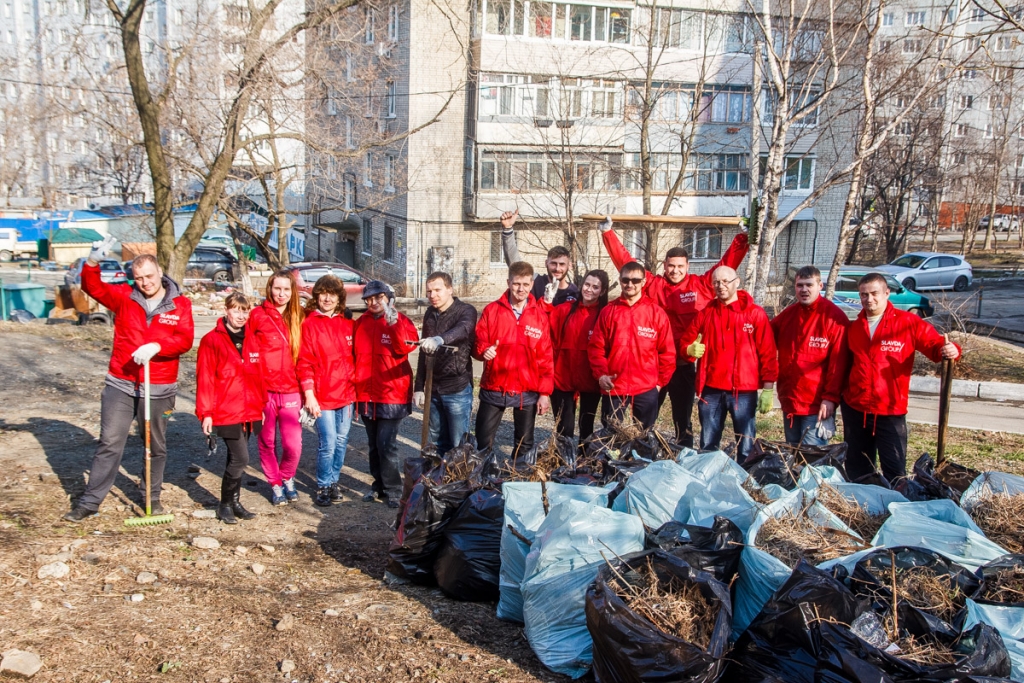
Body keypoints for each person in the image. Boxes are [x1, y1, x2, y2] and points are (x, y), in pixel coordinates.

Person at [63, 241, 194, 522]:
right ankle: (90, 501)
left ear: (160, 272)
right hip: (121, 383)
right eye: (140, 278)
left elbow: (184, 340)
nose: (145, 283)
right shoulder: (125, 297)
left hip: (159, 386)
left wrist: (158, 347)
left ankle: (152, 498)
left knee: (155, 445)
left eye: (149, 276)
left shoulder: (180, 304)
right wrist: (93, 263)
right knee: (110, 442)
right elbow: (93, 288)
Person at [598, 217, 750, 447]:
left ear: (687, 267)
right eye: (671, 266)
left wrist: (742, 238)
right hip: (653, 367)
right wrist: (608, 233)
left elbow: (726, 265)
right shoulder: (654, 284)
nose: (675, 270)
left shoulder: (701, 285)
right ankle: (638, 451)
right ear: (664, 265)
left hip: (683, 365)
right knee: (645, 419)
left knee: (682, 418)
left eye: (680, 266)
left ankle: (683, 455)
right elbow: (627, 265)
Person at [840, 272, 961, 483]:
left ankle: (895, 504)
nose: (869, 299)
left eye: (874, 293)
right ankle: (864, 508)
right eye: (863, 295)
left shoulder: (908, 323)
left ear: (887, 293)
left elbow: (935, 346)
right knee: (857, 469)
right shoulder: (854, 327)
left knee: (895, 470)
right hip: (856, 409)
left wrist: (952, 349)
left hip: (890, 410)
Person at [679, 266, 778, 463]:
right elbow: (685, 342)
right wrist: (689, 350)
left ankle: (745, 480)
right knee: (708, 443)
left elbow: (767, 352)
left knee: (746, 444)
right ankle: (708, 479)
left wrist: (768, 387)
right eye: (716, 282)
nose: (720, 286)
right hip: (711, 390)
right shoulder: (706, 313)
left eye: (725, 281)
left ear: (737, 282)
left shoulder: (754, 314)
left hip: (743, 391)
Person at [473, 261, 554, 458]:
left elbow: (545, 357)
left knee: (524, 445)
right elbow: (478, 340)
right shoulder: (492, 310)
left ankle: (517, 482)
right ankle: (483, 482)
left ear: (532, 284)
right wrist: (484, 350)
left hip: (526, 390)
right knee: (483, 442)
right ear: (509, 282)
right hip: (495, 386)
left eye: (526, 284)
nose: (521, 289)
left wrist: (544, 393)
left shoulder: (540, 316)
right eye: (517, 284)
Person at [195, 292, 262, 524]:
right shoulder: (211, 340)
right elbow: (205, 379)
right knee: (241, 459)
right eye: (236, 310)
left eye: (245, 311)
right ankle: (224, 504)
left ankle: (235, 502)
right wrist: (206, 414)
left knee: (235, 458)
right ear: (226, 310)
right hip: (226, 410)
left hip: (250, 410)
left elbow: (258, 376)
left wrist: (261, 405)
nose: (241, 315)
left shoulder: (253, 338)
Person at [588, 262, 675, 430]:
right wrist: (601, 375)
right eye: (626, 280)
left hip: (646, 388)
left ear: (643, 282)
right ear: (620, 281)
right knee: (611, 438)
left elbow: (668, 352)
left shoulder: (656, 313)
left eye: (635, 280)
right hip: (614, 386)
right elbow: (596, 348)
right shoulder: (609, 311)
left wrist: (658, 383)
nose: (630, 284)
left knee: (644, 438)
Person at [354, 280, 418, 508]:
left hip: (392, 393)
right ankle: (378, 484)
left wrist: (394, 324)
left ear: (388, 299)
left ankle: (393, 489)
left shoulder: (402, 321)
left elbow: (406, 347)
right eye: (369, 299)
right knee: (372, 443)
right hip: (366, 394)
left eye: (378, 298)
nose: (373, 303)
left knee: (386, 443)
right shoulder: (360, 323)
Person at [771, 265, 850, 446]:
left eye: (809, 285)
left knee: (811, 460)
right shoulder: (788, 316)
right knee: (793, 455)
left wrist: (830, 398)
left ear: (820, 285)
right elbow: (763, 337)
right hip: (790, 401)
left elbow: (839, 364)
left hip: (817, 406)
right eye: (800, 285)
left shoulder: (834, 318)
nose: (804, 290)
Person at [297, 275, 356, 507]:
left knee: (342, 440)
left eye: (332, 294)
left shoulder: (348, 324)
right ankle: (322, 483)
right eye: (323, 293)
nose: (327, 298)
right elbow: (304, 362)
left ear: (340, 298)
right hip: (323, 395)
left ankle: (333, 481)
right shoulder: (309, 324)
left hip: (347, 394)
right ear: (316, 296)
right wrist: (309, 394)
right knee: (328, 442)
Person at [249, 270, 304, 506]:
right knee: (267, 441)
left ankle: (287, 477)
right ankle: (275, 483)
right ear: (269, 289)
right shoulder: (257, 316)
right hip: (264, 391)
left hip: (292, 390)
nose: (281, 294)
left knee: (293, 445)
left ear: (292, 292)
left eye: (285, 289)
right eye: (277, 288)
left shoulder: (300, 317)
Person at [413, 272, 477, 456]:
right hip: (433, 389)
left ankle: (458, 483)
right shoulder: (430, 314)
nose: (432, 295)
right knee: (437, 443)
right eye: (429, 291)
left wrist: (440, 339)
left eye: (437, 290)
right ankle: (438, 481)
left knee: (459, 445)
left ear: (450, 289)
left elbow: (464, 329)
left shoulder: (466, 311)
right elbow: (424, 352)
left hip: (457, 389)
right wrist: (419, 387)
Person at [549, 270, 610, 439]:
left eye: (595, 287)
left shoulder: (605, 314)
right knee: (563, 428)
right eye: (587, 284)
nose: (589, 289)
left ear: (603, 291)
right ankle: (563, 462)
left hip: (591, 379)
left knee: (586, 427)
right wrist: (546, 302)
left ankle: (584, 462)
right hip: (563, 377)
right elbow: (545, 323)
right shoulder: (565, 310)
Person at [500, 209, 580, 306]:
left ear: (570, 266)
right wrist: (508, 229)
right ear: (546, 263)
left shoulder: (574, 293)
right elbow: (515, 264)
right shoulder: (536, 282)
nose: (557, 268)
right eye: (553, 263)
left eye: (562, 264)